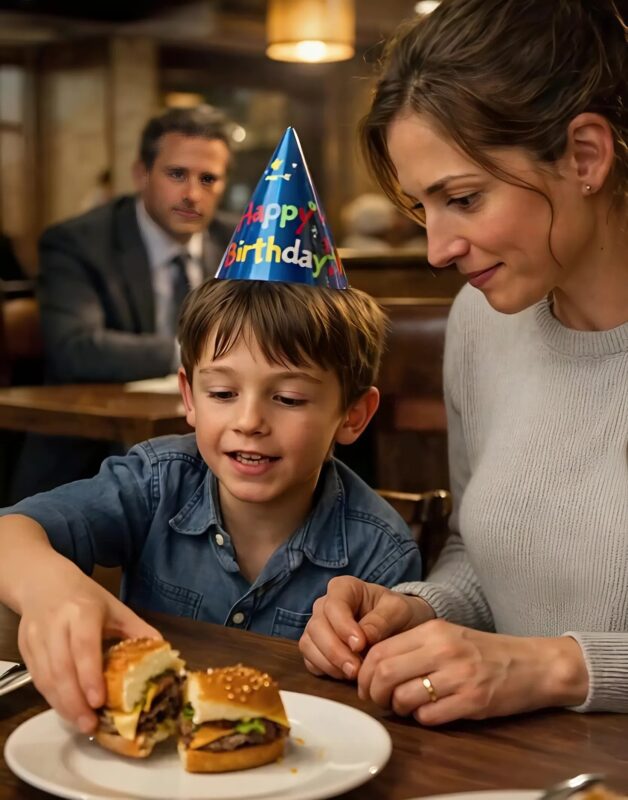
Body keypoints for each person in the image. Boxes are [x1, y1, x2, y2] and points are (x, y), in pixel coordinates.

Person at [299, 0, 628, 723]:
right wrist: (413, 612)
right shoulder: (480, 323)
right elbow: (481, 559)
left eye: (464, 198)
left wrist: (557, 668)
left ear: (585, 157)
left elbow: (537, 659)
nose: (437, 249)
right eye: (423, 208)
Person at [0, 277, 422, 732]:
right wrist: (50, 589)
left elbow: (388, 712)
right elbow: (11, 532)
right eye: (222, 393)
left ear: (353, 415)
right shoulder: (158, 481)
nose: (249, 421)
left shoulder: (381, 552)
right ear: (189, 397)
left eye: (289, 398)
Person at [10, 105, 238, 500]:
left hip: (216, 453)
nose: (192, 194)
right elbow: (76, 349)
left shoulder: (242, 241)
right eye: (176, 174)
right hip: (93, 459)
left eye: (208, 179)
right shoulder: (78, 242)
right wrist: (194, 353)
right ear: (141, 174)